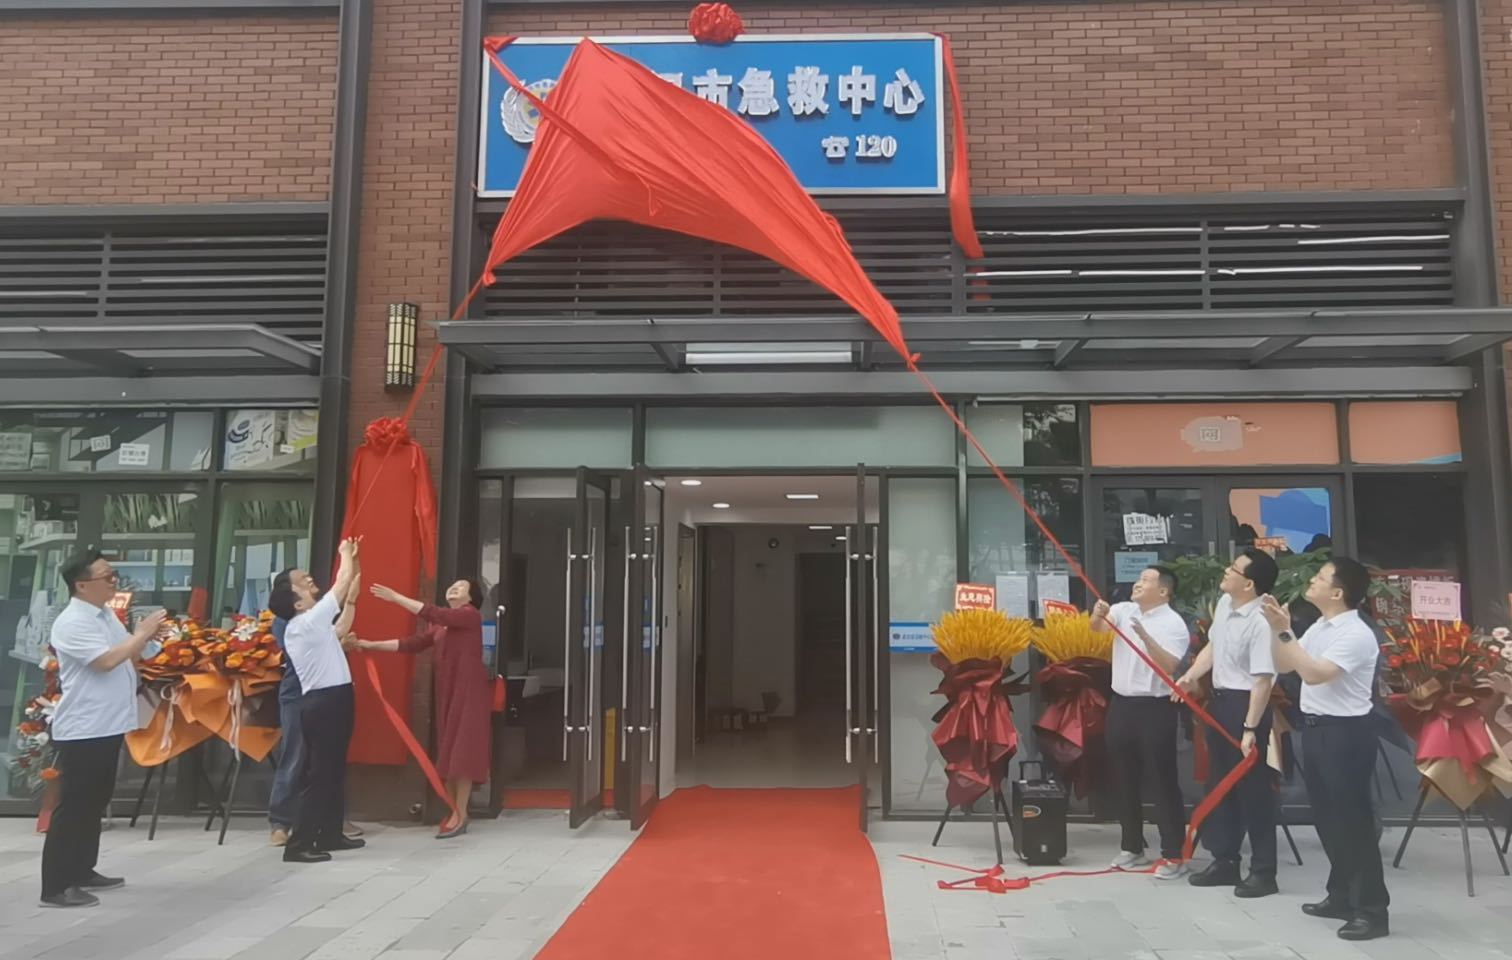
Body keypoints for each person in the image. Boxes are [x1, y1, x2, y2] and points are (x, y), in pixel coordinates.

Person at [1263, 558, 1389, 941]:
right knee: (1328, 818)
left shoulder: (1356, 633)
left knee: (1353, 822)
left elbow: (1316, 673)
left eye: (1320, 578)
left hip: (1346, 733)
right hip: (1317, 729)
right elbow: (1286, 664)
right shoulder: (1320, 626)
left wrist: (1286, 633)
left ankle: (1371, 910)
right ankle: (1341, 895)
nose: (1312, 581)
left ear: (1338, 592)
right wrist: (1279, 631)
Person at [41, 552, 167, 908]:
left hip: (109, 722)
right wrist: (140, 634)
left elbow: (129, 652)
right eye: (107, 577)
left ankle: (82, 869)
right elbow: (105, 661)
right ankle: (56, 885)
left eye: (114, 575)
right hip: (85, 726)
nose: (114, 581)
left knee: (95, 799)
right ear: (82, 585)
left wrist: (148, 639)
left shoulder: (105, 614)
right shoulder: (72, 622)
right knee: (75, 805)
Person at [1176, 547, 1280, 897]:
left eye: (1234, 569)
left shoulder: (1262, 620)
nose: (1226, 571)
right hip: (1221, 701)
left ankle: (1264, 871)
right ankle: (1225, 861)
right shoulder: (1224, 604)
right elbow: (1213, 646)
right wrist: (1191, 676)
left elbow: (1263, 681)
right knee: (1220, 785)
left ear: (1248, 584)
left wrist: (1250, 728)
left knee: (1254, 790)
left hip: (1247, 706)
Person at [358, 578, 490, 838]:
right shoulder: (441, 624)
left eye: (461, 586)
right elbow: (412, 644)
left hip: (468, 692)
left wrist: (396, 597)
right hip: (448, 691)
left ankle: (461, 813)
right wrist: (370, 645)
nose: (453, 588)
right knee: (449, 751)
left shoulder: (469, 616)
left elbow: (432, 612)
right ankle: (454, 809)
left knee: (462, 752)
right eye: (452, 585)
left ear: (471, 597)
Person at [1092, 566, 1192, 880]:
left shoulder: (1173, 623)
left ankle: (1173, 854)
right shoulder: (1123, 609)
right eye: (1139, 578)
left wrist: (1145, 637)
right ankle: (1132, 846)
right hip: (1122, 704)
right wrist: (1097, 615)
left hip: (1155, 707)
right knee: (1124, 778)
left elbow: (1169, 666)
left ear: (1163, 591)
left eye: (1146, 580)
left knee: (1162, 780)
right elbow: (1098, 630)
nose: (1138, 583)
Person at [268, 538, 363, 863]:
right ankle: (299, 844)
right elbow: (341, 583)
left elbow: (341, 626)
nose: (311, 589)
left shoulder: (312, 625)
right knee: (320, 774)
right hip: (324, 703)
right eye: (303, 589)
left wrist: (353, 592)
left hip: (336, 698)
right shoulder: (305, 624)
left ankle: (330, 834)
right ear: (296, 604)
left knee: (333, 771)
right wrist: (345, 554)